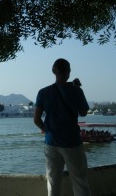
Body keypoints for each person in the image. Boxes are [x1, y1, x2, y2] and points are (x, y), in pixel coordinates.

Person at [34, 58, 91, 196]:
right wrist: (77, 90)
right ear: (68, 72)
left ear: (54, 71)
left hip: (51, 143)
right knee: (79, 182)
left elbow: (36, 120)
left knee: (53, 183)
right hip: (72, 142)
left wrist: (47, 130)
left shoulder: (43, 92)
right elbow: (83, 113)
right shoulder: (76, 90)